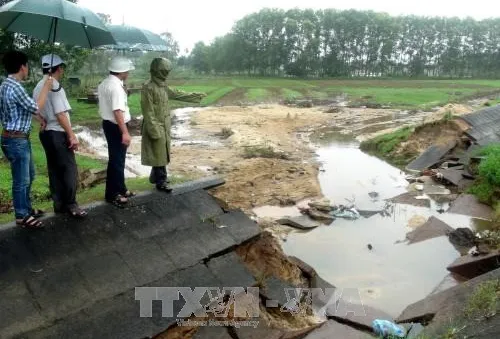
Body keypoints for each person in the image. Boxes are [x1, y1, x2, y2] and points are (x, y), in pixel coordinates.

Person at [0, 50, 53, 228]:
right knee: (21, 180)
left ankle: (27, 208)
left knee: (29, 175)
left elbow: (23, 109)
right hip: (17, 141)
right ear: (23, 67)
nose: (28, 69)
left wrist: (39, 119)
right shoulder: (16, 87)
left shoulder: (5, 85)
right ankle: (21, 216)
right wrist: (46, 86)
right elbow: (36, 105)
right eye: (27, 66)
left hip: (13, 137)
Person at [34, 54, 87, 219]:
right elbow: (61, 114)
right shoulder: (55, 86)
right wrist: (72, 136)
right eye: (61, 67)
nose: (62, 70)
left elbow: (35, 109)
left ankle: (59, 204)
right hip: (58, 133)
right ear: (57, 69)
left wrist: (40, 120)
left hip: (46, 134)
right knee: (69, 169)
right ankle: (71, 204)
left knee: (54, 169)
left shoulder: (38, 87)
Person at [141, 58, 206, 192]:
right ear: (157, 71)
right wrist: (154, 129)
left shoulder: (163, 86)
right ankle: (161, 181)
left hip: (164, 124)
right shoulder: (149, 87)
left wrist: (195, 96)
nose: (166, 74)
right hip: (156, 125)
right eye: (164, 71)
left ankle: (156, 177)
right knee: (159, 153)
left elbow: (176, 94)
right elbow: (148, 111)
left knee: (161, 153)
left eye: (167, 71)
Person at [98, 56, 136, 207]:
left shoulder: (105, 83)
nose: (128, 73)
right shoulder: (115, 87)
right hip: (116, 126)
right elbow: (117, 111)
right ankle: (113, 194)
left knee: (118, 159)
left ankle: (121, 188)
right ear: (122, 71)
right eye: (127, 70)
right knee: (117, 160)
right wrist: (125, 132)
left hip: (109, 124)